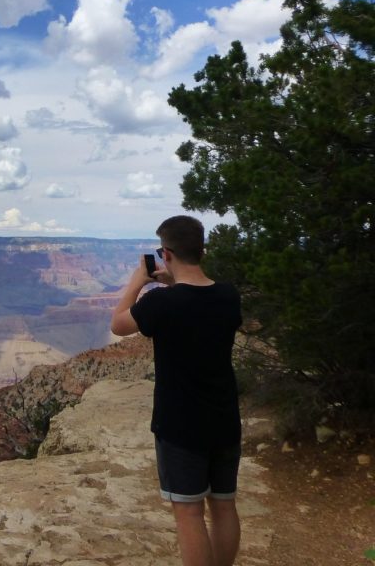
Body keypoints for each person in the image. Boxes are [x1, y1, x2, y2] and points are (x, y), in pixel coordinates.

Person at [110, 215, 243, 566]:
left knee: (189, 514)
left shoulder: (162, 304)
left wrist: (140, 280)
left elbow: (119, 324)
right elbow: (197, 303)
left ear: (165, 254)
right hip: (224, 419)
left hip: (180, 426)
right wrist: (174, 282)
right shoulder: (229, 296)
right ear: (202, 249)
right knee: (224, 505)